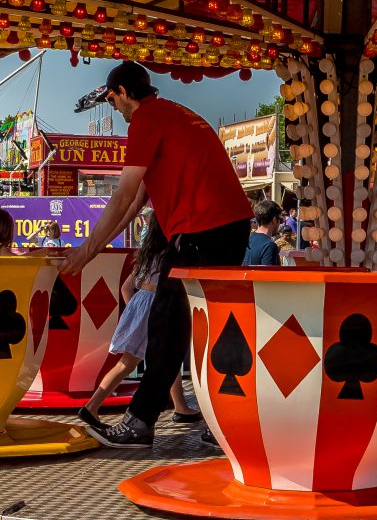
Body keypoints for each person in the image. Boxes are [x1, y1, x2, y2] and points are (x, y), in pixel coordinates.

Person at [63, 61, 250, 447]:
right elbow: (134, 206)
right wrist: (93, 249)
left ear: (122, 93)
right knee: (205, 326)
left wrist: (86, 251)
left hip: (202, 229)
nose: (114, 109)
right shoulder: (177, 115)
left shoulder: (145, 120)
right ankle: (223, 422)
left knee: (169, 325)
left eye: (113, 101)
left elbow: (124, 194)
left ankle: (141, 422)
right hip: (225, 226)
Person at [79, 220, 198, 436]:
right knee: (147, 360)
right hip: (157, 305)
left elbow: (126, 287)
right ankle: (92, 406)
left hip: (140, 304)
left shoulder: (146, 254)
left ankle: (180, 406)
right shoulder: (169, 255)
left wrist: (133, 313)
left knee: (158, 360)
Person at [244, 201, 285, 267]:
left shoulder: (247, 240)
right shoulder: (269, 246)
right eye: (280, 220)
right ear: (274, 220)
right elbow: (270, 275)